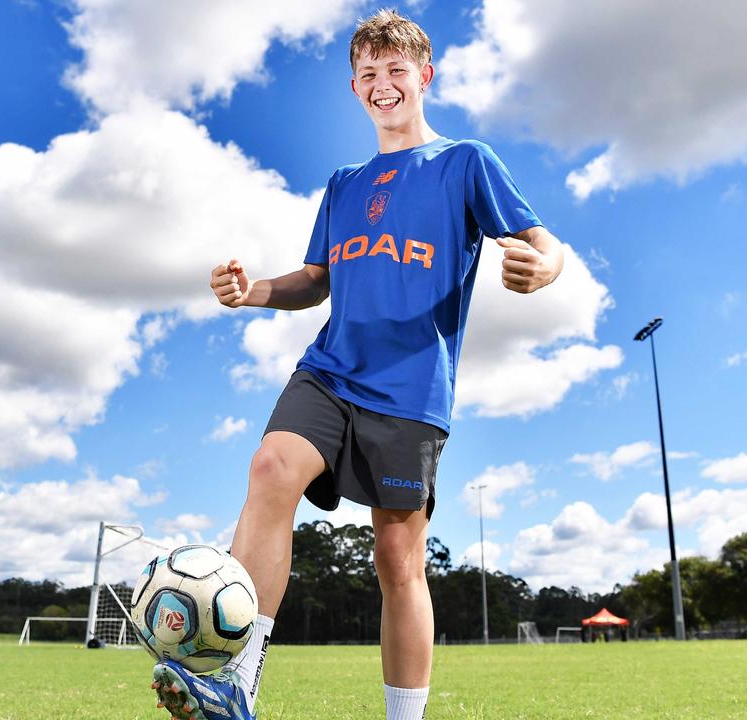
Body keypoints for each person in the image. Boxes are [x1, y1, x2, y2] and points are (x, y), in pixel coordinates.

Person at [151, 9, 563, 720]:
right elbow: (316, 280)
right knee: (270, 468)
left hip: (410, 389)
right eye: (368, 74)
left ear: (423, 77)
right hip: (330, 371)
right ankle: (234, 685)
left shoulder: (467, 162)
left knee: (397, 560)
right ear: (354, 87)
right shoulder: (344, 183)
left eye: (395, 70)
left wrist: (542, 267)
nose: (383, 84)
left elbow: (542, 241)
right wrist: (252, 292)